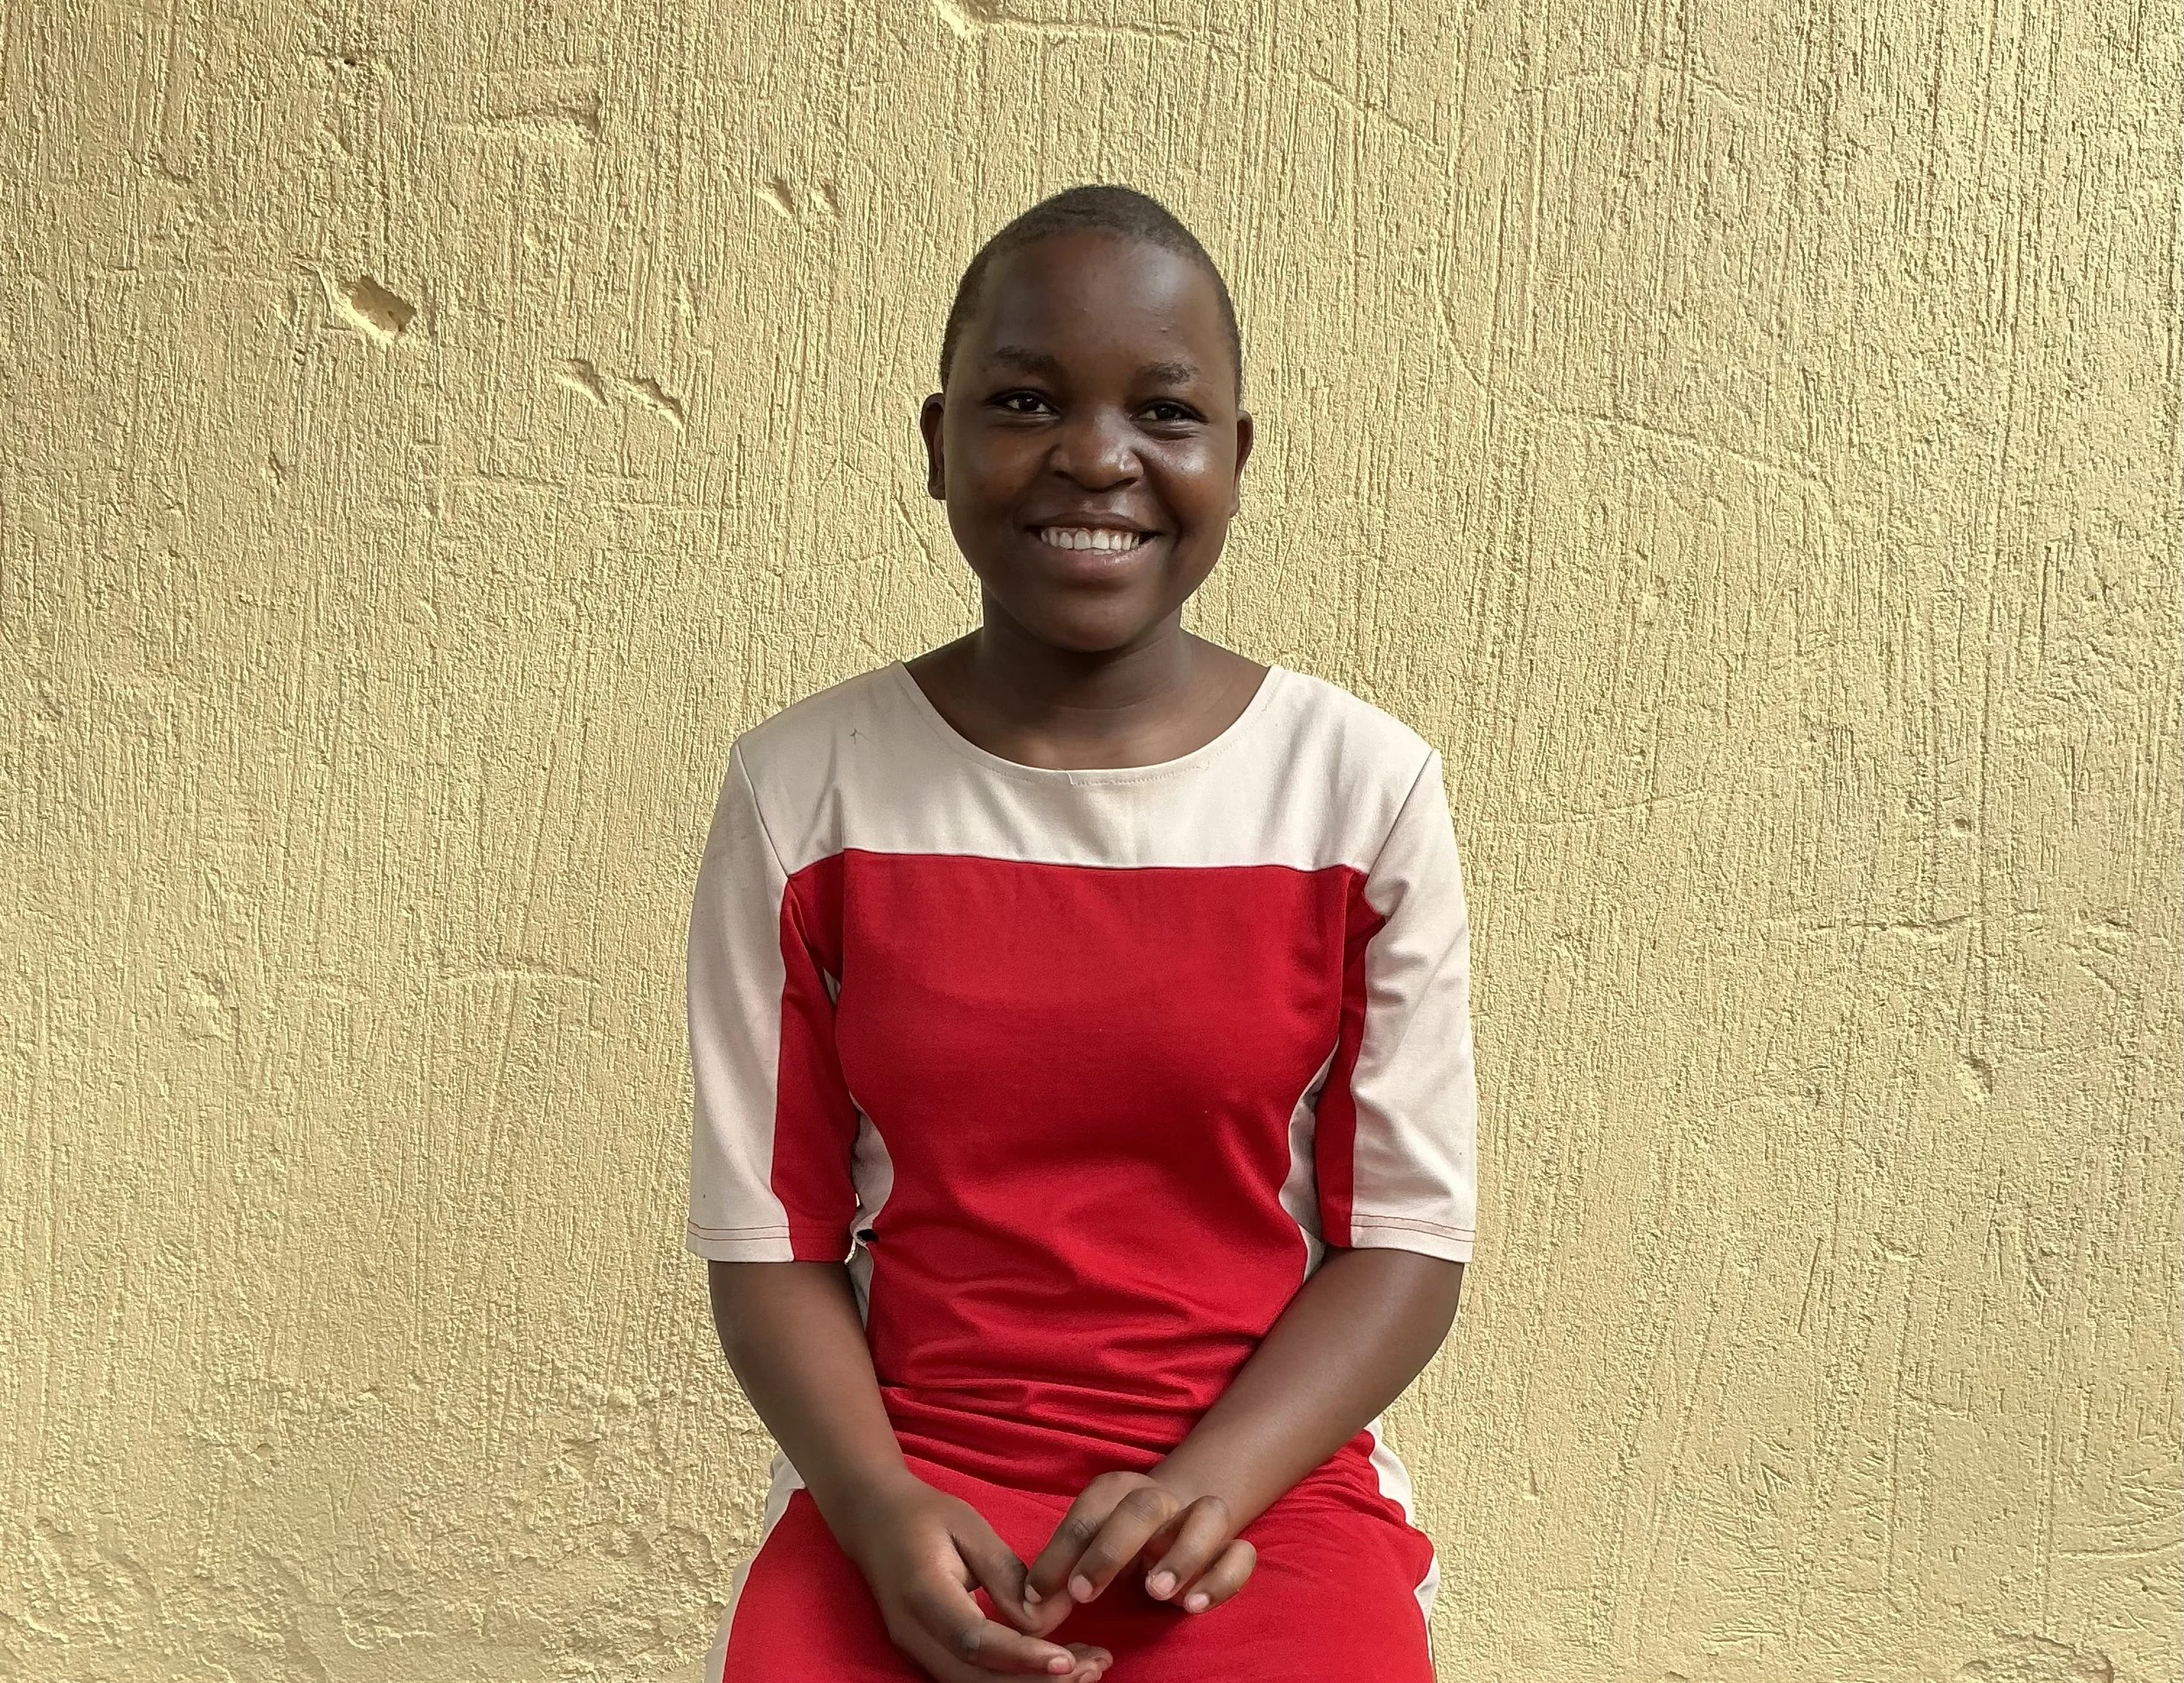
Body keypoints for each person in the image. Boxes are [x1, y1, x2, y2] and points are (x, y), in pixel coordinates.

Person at [685, 184, 1479, 1683]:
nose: (1098, 456)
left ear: (1236, 459)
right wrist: (873, 1504)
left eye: (1165, 413)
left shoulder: (1360, 792)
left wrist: (1206, 1491)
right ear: (936, 443)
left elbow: (1408, 1247)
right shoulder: (805, 794)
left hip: (1261, 1485)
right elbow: (766, 1242)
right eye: (1026, 400)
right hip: (912, 1479)